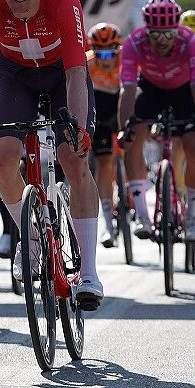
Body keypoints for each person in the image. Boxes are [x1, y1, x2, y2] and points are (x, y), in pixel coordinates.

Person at [0, 0, 104, 310]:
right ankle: (30, 237)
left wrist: (76, 128)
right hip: (16, 76)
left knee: (73, 160)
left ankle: (88, 273)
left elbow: (77, 72)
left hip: (62, 74)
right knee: (3, 158)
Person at [119, 0, 195, 242]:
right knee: (133, 137)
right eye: (156, 35)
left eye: (168, 34)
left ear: (177, 30)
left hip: (184, 91)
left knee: (192, 143)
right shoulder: (134, 43)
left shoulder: (190, 41)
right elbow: (128, 90)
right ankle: (141, 213)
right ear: (146, 31)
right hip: (150, 87)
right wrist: (124, 128)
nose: (162, 41)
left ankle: (192, 214)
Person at [85, 22, 123, 247]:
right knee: (104, 162)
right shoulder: (88, 64)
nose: (106, 59)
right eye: (101, 53)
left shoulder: (126, 63)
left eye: (111, 52)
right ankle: (108, 223)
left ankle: (131, 191)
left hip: (120, 108)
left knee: (130, 151)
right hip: (99, 113)